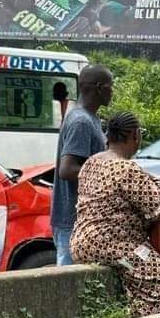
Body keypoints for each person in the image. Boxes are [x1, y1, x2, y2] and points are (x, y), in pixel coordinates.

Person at [70, 111, 160, 317]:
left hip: (82, 242)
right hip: (117, 247)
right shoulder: (127, 169)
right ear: (136, 135)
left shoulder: (91, 163)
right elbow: (159, 207)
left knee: (143, 286)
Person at [51, 64, 113, 266]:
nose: (112, 91)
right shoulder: (81, 122)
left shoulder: (91, 118)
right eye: (110, 86)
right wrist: (109, 174)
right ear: (98, 87)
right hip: (72, 220)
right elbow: (66, 169)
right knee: (70, 286)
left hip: (84, 220)